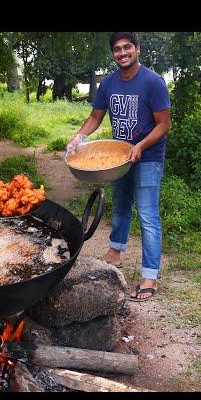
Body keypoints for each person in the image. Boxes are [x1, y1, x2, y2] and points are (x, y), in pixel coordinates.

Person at [67, 32, 171, 302]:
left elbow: (164, 125)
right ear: (113, 53)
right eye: (117, 49)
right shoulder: (109, 83)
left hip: (147, 156)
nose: (122, 53)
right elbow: (95, 117)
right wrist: (79, 137)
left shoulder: (153, 82)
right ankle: (115, 252)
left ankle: (149, 275)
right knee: (122, 205)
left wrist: (140, 146)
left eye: (127, 47)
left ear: (137, 49)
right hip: (119, 156)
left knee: (147, 215)